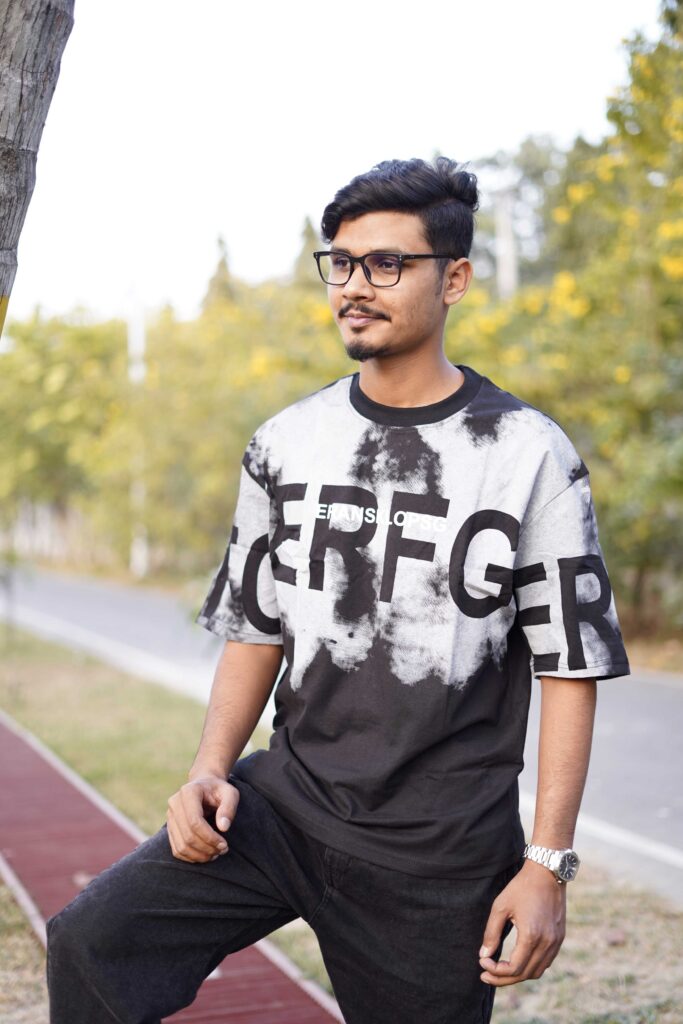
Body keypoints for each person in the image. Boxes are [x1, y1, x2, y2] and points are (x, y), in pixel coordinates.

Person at [45, 156, 631, 1024]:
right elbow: (256, 629)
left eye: (387, 263)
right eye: (343, 262)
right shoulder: (287, 442)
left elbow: (568, 669)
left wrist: (546, 864)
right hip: (284, 807)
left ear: (454, 279)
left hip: (437, 853)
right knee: (92, 942)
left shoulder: (525, 454)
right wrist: (207, 771)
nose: (355, 285)